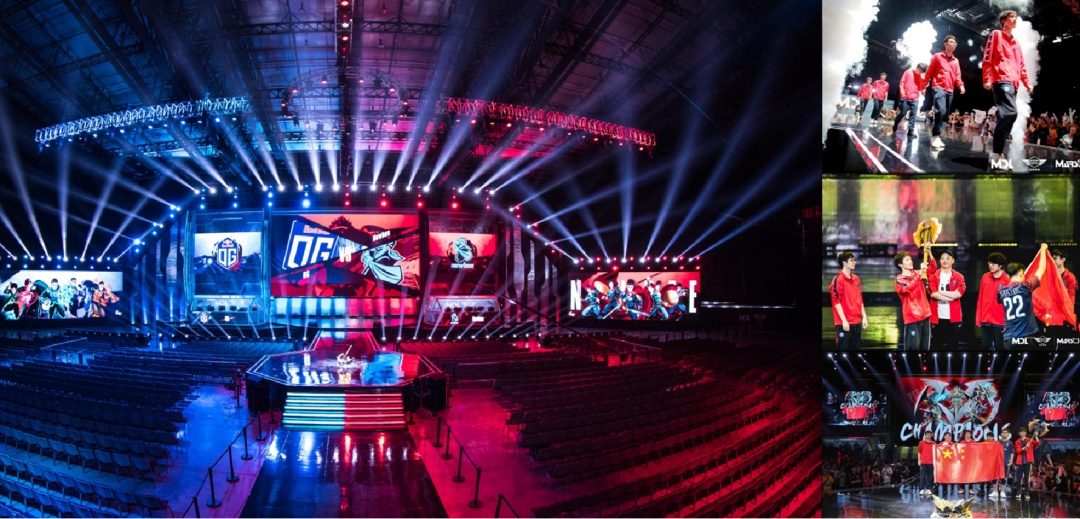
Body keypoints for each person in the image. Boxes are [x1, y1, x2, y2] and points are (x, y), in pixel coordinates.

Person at [999, 244, 1048, 342]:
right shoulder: (1026, 286)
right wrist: (1043, 249)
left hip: (1009, 337)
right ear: (1021, 274)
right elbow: (1042, 268)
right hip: (1026, 335)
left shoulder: (1001, 291)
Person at [925, 35, 966, 149]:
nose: (953, 44)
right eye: (951, 42)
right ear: (945, 44)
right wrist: (924, 85)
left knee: (946, 114)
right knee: (941, 109)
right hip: (938, 87)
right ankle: (935, 136)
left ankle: (938, 135)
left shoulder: (956, 61)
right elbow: (929, 72)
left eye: (955, 43)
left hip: (950, 89)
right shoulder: (937, 56)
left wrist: (961, 86)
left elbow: (957, 76)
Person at [895, 247, 933, 351]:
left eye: (910, 259)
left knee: (925, 347)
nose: (910, 261)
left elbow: (932, 269)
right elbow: (908, 288)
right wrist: (919, 274)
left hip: (925, 315)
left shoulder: (918, 273)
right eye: (907, 260)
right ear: (900, 265)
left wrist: (929, 253)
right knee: (913, 348)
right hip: (912, 317)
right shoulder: (899, 279)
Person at [928, 250, 966, 348]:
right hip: (937, 318)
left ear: (953, 260)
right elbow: (933, 295)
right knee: (936, 346)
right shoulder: (933, 277)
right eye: (942, 258)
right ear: (940, 261)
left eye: (948, 258)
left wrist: (941, 292)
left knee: (953, 346)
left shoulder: (959, 277)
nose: (945, 261)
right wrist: (951, 297)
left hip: (954, 318)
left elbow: (958, 294)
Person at [831, 252, 867, 349]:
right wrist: (844, 320)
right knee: (842, 351)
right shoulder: (838, 279)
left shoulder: (856, 279)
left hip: (857, 322)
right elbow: (836, 302)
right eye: (851, 260)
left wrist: (864, 317)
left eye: (854, 260)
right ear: (844, 263)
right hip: (844, 323)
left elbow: (860, 299)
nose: (854, 262)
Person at [977, 252, 1010, 350]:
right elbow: (980, 298)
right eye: (989, 263)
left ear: (1000, 265)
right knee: (985, 346)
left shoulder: (1007, 279)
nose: (990, 265)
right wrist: (979, 318)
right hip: (985, 319)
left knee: (1000, 347)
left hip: (1000, 321)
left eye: (993, 263)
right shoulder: (985, 277)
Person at [895, 64, 927, 136]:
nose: (921, 73)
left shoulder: (919, 77)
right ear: (917, 68)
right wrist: (903, 93)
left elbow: (920, 87)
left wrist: (923, 90)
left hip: (915, 97)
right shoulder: (908, 72)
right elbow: (902, 83)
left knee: (913, 114)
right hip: (905, 96)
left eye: (922, 72)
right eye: (920, 71)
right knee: (903, 113)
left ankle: (911, 131)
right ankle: (896, 122)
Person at [1015, 427, 1041, 500]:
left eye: (1024, 432)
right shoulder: (1017, 441)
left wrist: (1036, 436)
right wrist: (1024, 448)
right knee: (1019, 478)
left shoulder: (1030, 440)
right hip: (1020, 462)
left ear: (1026, 433)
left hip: (1028, 462)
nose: (1022, 433)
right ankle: (1018, 492)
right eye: (1021, 432)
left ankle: (1026, 493)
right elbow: (1018, 451)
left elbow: (1038, 444)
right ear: (1019, 433)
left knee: (1027, 478)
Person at [991, 429, 1014, 499]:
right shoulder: (997, 442)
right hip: (997, 462)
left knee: (1004, 477)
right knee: (995, 476)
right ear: (1001, 434)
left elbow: (1012, 453)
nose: (1004, 434)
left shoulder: (1010, 443)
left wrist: (1011, 461)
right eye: (1003, 432)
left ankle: (1002, 491)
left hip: (1005, 462)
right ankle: (995, 491)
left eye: (1006, 433)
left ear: (1008, 434)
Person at [918, 430, 936, 497]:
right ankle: (921, 489)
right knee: (922, 476)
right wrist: (919, 460)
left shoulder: (934, 443)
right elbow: (919, 452)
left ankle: (928, 488)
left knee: (930, 476)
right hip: (923, 462)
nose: (928, 435)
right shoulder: (921, 443)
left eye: (930, 434)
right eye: (927, 434)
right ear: (925, 435)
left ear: (931, 435)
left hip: (931, 462)